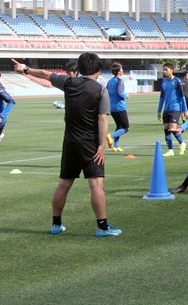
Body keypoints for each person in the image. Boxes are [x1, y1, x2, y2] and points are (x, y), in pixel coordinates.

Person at [12, 54, 122, 237]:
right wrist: (102, 145)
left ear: (79, 68)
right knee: (96, 186)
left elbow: (45, 74)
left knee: (63, 184)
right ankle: (102, 227)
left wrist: (24, 69)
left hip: (70, 141)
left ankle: (56, 224)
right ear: (98, 69)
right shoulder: (100, 89)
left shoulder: (69, 82)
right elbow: (103, 118)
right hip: (90, 143)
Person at [157, 62, 188, 157]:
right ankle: (170, 150)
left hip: (175, 109)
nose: (165, 71)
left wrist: (185, 110)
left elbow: (182, 96)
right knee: (166, 129)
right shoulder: (164, 82)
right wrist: (159, 110)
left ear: (172, 70)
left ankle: (182, 143)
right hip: (166, 109)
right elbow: (162, 97)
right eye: (164, 70)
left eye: (166, 69)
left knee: (172, 129)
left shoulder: (177, 81)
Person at [106, 62, 129, 153]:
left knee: (119, 126)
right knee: (126, 128)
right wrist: (126, 95)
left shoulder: (110, 81)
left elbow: (106, 92)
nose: (122, 70)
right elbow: (120, 92)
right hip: (120, 107)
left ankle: (116, 146)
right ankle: (110, 136)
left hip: (112, 108)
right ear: (119, 71)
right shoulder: (120, 81)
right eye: (121, 69)